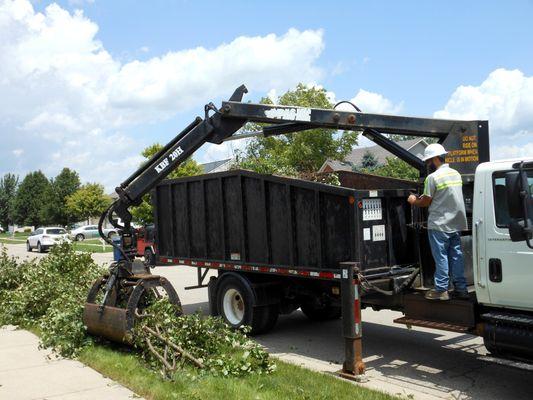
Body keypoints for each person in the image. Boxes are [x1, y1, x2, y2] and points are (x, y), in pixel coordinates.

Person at [407, 143, 468, 301]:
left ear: (435, 159)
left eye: (428, 161)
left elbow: (426, 201)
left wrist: (413, 200)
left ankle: (441, 290)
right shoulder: (456, 174)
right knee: (456, 256)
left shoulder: (432, 178)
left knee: (441, 257)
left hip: (439, 224)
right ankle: (461, 289)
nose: (428, 165)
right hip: (456, 223)